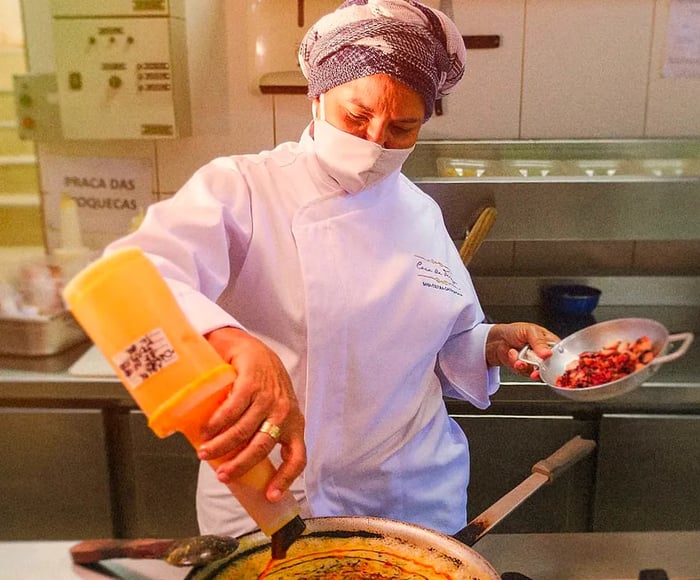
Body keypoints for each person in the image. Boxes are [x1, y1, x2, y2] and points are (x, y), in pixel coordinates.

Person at [106, 0, 559, 538]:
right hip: (277, 494)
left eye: (402, 126)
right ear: (317, 96)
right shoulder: (245, 188)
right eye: (357, 116)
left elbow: (434, 340)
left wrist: (489, 341)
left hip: (413, 496)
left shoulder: (420, 212)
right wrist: (233, 341)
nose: (375, 143)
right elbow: (127, 280)